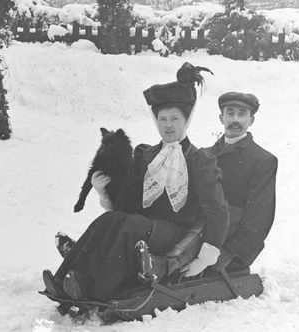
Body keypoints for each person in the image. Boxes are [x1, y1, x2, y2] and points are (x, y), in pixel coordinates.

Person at [42, 62, 229, 302]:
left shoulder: (199, 159)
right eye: (162, 119)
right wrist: (103, 192)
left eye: (174, 119)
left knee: (129, 228)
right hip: (146, 225)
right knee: (109, 219)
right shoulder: (147, 155)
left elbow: (217, 209)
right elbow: (130, 198)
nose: (168, 125)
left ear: (186, 121)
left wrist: (206, 255)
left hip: (177, 231)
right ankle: (63, 281)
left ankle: (92, 292)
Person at [184, 91, 278, 276]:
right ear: (221, 117)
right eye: (230, 113)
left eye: (242, 114)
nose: (235, 119)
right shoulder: (205, 155)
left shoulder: (263, 160)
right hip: (197, 236)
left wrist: (227, 254)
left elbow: (259, 217)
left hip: (231, 249)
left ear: (251, 120)